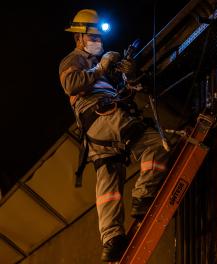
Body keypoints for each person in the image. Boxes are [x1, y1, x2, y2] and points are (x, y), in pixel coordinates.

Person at [58, 9, 171, 262]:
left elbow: (124, 91)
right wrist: (101, 67)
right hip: (103, 118)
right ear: (79, 37)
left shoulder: (100, 69)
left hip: (97, 132)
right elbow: (71, 84)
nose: (98, 41)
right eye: (93, 37)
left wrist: (129, 75)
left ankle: (111, 240)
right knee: (156, 143)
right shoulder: (72, 61)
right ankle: (142, 196)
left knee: (108, 182)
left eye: (100, 38)